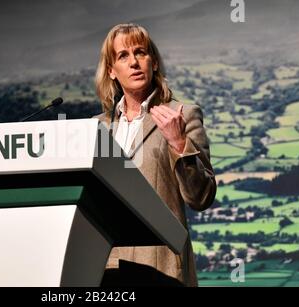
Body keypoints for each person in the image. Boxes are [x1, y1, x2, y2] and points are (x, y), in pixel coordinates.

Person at [93, 23, 217, 287]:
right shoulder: (97, 127)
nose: (134, 62)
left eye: (141, 52)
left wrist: (179, 143)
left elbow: (201, 197)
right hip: (104, 267)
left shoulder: (182, 114)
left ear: (155, 63)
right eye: (123, 56)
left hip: (161, 267)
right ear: (112, 71)